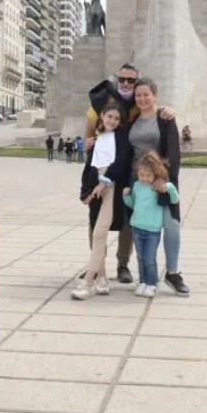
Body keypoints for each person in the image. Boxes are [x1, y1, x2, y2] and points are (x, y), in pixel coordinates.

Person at [84, 63, 176, 284]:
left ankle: (123, 264)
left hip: (129, 171)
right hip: (103, 170)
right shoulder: (100, 103)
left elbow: (151, 108)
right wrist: (86, 143)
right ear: (117, 80)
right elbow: (89, 136)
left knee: (128, 218)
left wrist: (169, 109)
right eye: (122, 79)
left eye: (130, 81)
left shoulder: (137, 104)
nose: (125, 84)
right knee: (96, 220)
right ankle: (97, 266)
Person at [129, 78, 189, 295]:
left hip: (161, 181)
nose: (142, 98)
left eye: (146, 94)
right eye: (138, 95)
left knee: (171, 226)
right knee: (143, 228)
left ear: (154, 96)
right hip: (139, 182)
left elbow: (174, 151)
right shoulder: (132, 119)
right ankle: (146, 277)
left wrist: (166, 180)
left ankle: (173, 272)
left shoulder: (164, 118)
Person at [72, 103, 131, 300]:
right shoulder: (97, 139)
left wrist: (104, 183)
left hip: (110, 186)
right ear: (102, 117)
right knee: (96, 231)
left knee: (99, 233)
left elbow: (121, 161)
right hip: (95, 186)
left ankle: (89, 282)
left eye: (116, 118)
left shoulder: (122, 137)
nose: (112, 121)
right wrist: (85, 192)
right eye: (109, 116)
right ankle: (103, 278)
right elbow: (89, 166)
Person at [123, 151, 179, 298]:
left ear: (155, 174)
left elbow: (174, 200)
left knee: (149, 258)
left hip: (152, 230)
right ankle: (142, 281)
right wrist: (125, 196)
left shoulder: (158, 187)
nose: (145, 178)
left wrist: (170, 188)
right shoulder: (136, 185)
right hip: (137, 227)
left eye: (148, 175)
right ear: (138, 173)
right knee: (140, 257)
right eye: (142, 175)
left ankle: (151, 283)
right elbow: (133, 204)